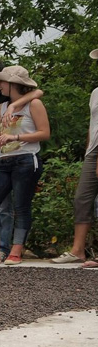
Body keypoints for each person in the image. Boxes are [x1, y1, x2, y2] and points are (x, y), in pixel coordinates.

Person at [0, 65, 49, 265]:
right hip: (4, 161)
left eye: (3, 81)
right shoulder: (1, 108)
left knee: (21, 206)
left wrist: (16, 136)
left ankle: (16, 251)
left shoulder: (35, 104)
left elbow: (44, 133)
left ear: (12, 83)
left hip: (26, 159)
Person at [53, 48, 98, 267]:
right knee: (82, 199)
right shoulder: (95, 92)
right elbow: (93, 123)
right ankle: (78, 250)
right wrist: (89, 148)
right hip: (93, 150)